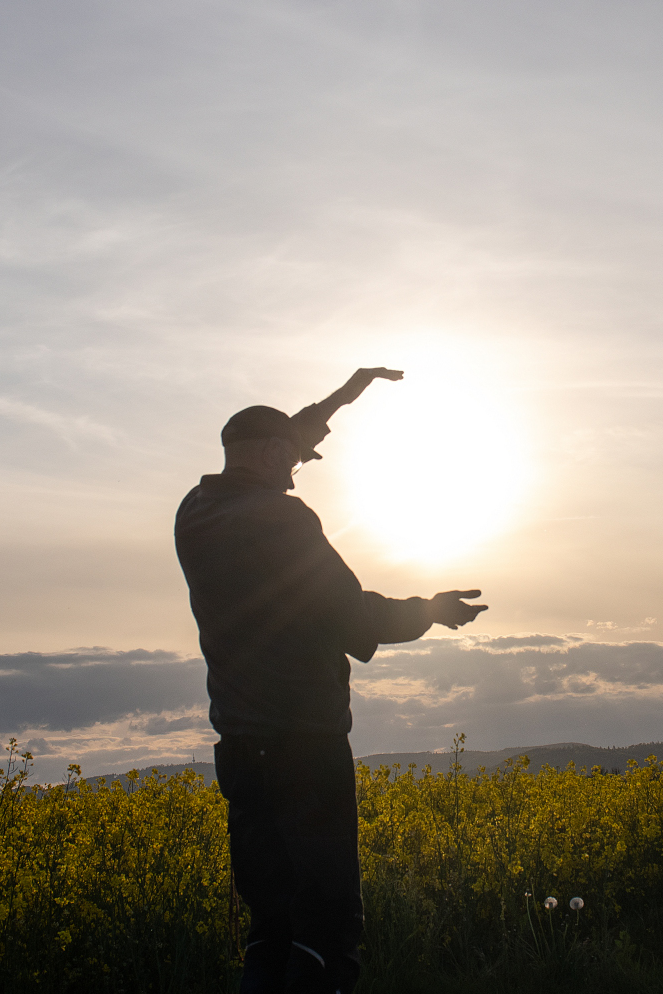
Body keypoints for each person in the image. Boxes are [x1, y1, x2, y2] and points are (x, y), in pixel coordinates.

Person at [174, 367, 487, 994]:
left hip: (240, 747)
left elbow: (273, 438)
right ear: (265, 454)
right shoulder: (284, 521)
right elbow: (351, 615)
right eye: (291, 459)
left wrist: (343, 398)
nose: (298, 468)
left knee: (270, 924)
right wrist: (429, 609)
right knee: (327, 927)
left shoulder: (195, 511)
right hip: (304, 747)